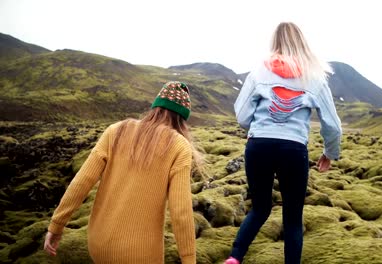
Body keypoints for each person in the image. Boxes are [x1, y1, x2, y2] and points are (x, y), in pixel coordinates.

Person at [44, 81, 201, 264]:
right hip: (140, 255)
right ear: (182, 118)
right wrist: (189, 259)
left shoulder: (115, 130)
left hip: (98, 244)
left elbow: (82, 181)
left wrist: (56, 226)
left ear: (156, 107)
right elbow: (180, 211)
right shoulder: (179, 146)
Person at [224, 22, 342, 264]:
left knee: (259, 208)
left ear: (275, 42)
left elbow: (242, 115)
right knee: (292, 217)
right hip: (293, 149)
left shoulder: (258, 72)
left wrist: (258, 130)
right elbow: (333, 125)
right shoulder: (315, 77)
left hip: (259, 146)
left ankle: (235, 258)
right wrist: (329, 152)